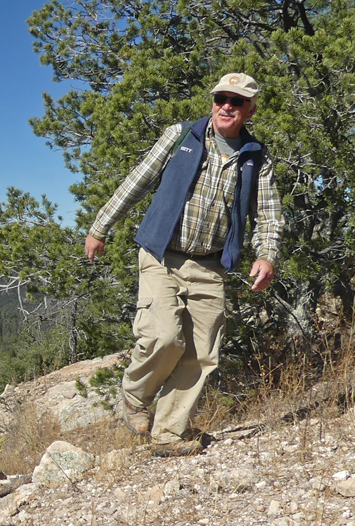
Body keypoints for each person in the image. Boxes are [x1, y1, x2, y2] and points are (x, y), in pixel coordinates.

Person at [84, 72, 284, 457]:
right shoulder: (181, 136)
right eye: (221, 97)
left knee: (202, 353)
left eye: (237, 101)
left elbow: (270, 215)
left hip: (210, 265)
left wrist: (266, 255)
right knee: (164, 336)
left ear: (250, 109)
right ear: (212, 101)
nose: (227, 105)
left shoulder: (256, 157)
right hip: (161, 255)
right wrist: (100, 227)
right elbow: (136, 181)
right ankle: (134, 398)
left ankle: (169, 433)